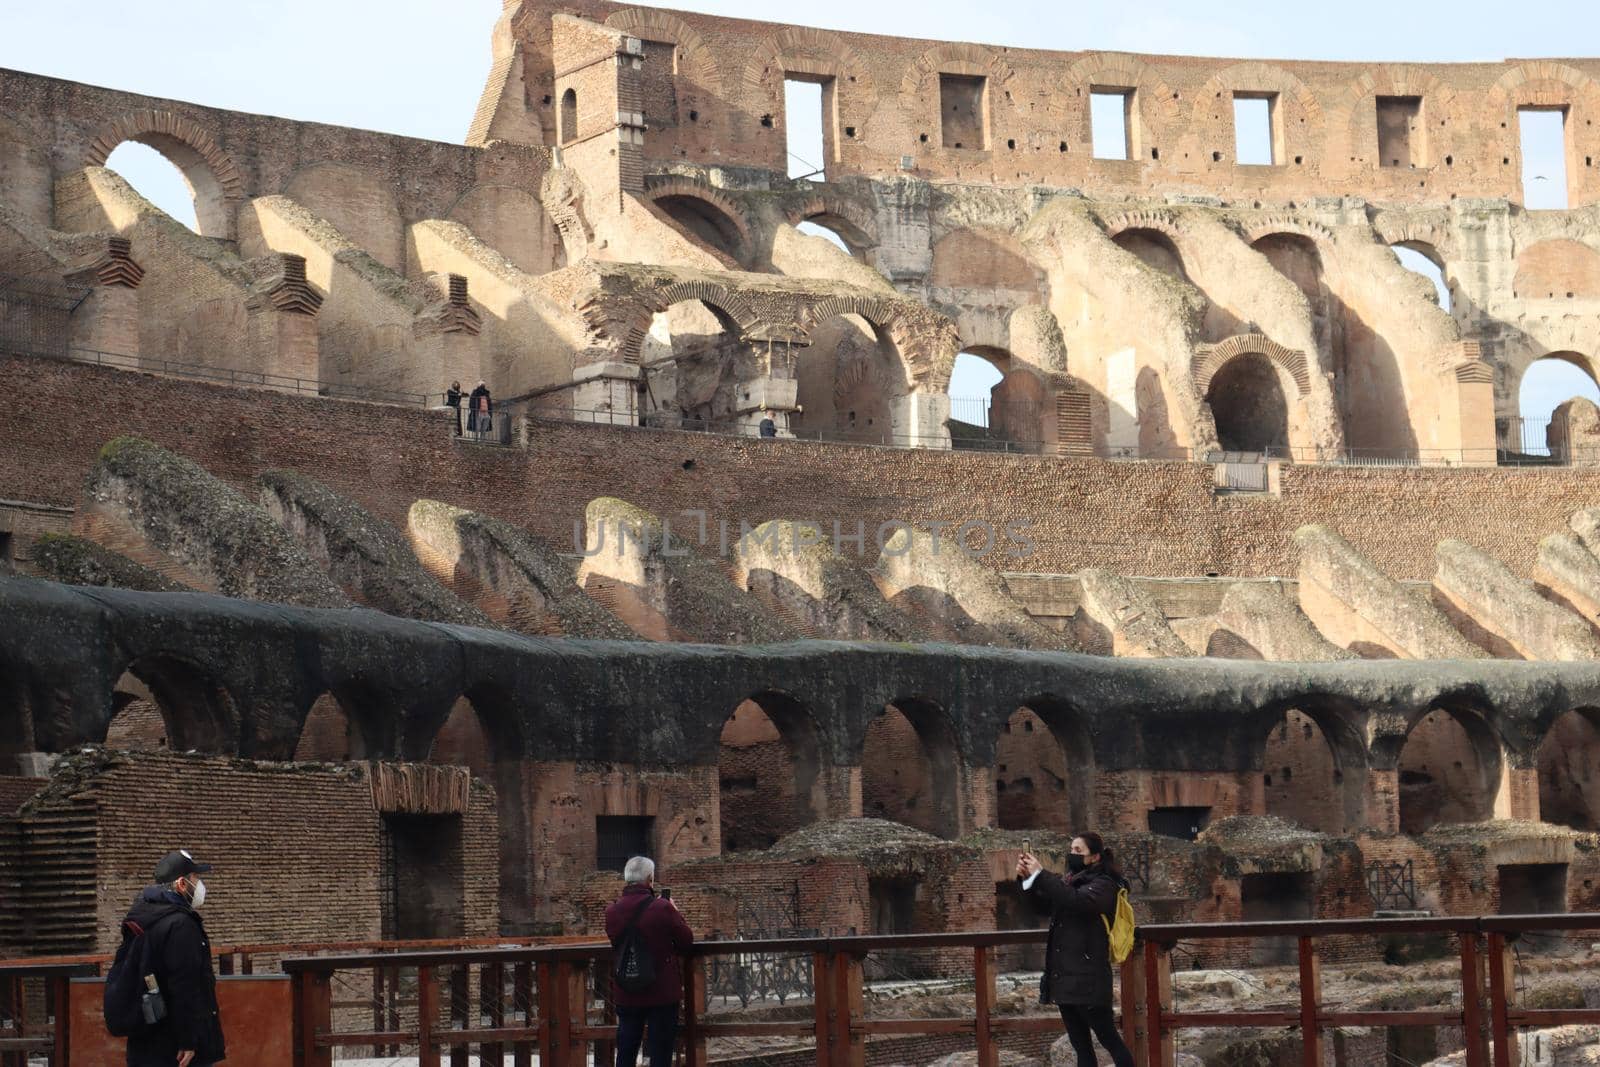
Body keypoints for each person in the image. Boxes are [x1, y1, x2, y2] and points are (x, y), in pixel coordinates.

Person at [1017, 834, 1135, 1067]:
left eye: (1078, 850)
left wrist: (1043, 875)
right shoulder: (1070, 881)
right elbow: (1043, 906)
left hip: (1089, 978)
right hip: (1065, 978)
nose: (1073, 853)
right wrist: (1027, 880)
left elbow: (1077, 901)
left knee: (1109, 1039)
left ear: (1095, 856)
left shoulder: (1105, 884)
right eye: (1071, 848)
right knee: (1081, 1047)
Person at [121, 849, 225, 1067]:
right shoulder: (180, 925)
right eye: (195, 879)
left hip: (147, 1036)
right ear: (181, 884)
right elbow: (185, 985)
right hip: (175, 1049)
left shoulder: (143, 915)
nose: (200, 885)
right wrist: (188, 1041)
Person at [604, 856, 693, 1067]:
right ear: (650, 879)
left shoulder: (611, 911)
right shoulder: (662, 908)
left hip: (627, 989)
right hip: (661, 992)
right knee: (661, 1053)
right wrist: (676, 912)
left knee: (625, 1049)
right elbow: (686, 941)